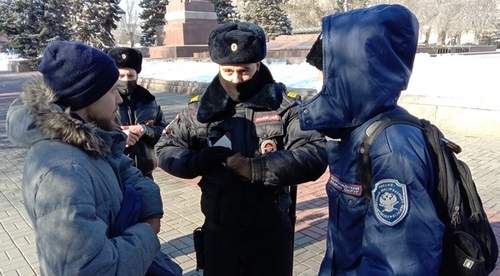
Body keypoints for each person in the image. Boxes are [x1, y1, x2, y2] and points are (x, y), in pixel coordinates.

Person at [155, 22, 328, 276]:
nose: (236, 79)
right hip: (219, 232)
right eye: (228, 71)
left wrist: (255, 169)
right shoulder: (199, 110)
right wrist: (196, 162)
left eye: (244, 71)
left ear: (258, 64)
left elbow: (315, 153)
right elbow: (165, 148)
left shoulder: (285, 107)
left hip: (270, 233)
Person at [5, 41, 180, 275]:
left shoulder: (86, 138)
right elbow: (92, 269)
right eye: (112, 91)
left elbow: (124, 169)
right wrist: (147, 232)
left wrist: (150, 208)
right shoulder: (63, 172)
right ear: (86, 97)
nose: (119, 100)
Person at [298, 4, 445, 275]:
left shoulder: (391, 147)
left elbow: (400, 262)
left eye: (325, 73)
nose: (318, 82)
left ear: (351, 76)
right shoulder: (351, 130)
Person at [106, 47, 167, 180]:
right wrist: (120, 136)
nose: (126, 80)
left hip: (144, 171)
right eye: (121, 76)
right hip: (115, 173)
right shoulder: (103, 100)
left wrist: (144, 129)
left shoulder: (148, 99)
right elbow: (92, 132)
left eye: (131, 76)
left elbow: (164, 130)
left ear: (137, 76)